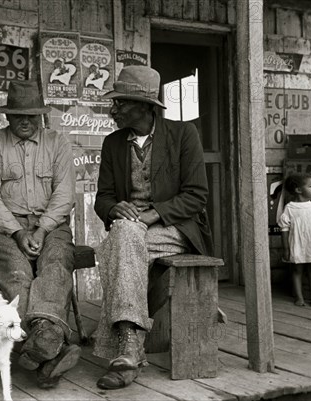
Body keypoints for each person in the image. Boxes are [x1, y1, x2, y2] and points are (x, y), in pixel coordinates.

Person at [93, 66, 212, 389]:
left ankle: (123, 342)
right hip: (130, 232)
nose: (113, 109)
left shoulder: (183, 135)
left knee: (115, 245)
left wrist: (153, 214)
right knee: (123, 236)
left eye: (121, 103)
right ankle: (129, 348)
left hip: (175, 228)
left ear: (145, 106)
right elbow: (102, 198)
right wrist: (114, 207)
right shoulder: (113, 143)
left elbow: (196, 196)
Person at [0, 80, 81, 389]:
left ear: (41, 116)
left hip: (51, 225)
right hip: (3, 228)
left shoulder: (57, 142)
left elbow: (64, 194)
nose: (25, 121)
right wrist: (19, 231)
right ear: (7, 116)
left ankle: (40, 345)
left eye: (31, 116)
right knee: (18, 273)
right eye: (18, 115)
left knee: (55, 264)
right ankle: (50, 349)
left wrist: (43, 228)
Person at [278, 172, 311, 307]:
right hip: (297, 245)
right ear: (298, 190)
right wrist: (286, 249)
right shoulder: (290, 208)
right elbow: (284, 230)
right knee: (297, 271)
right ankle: (299, 298)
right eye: (310, 186)